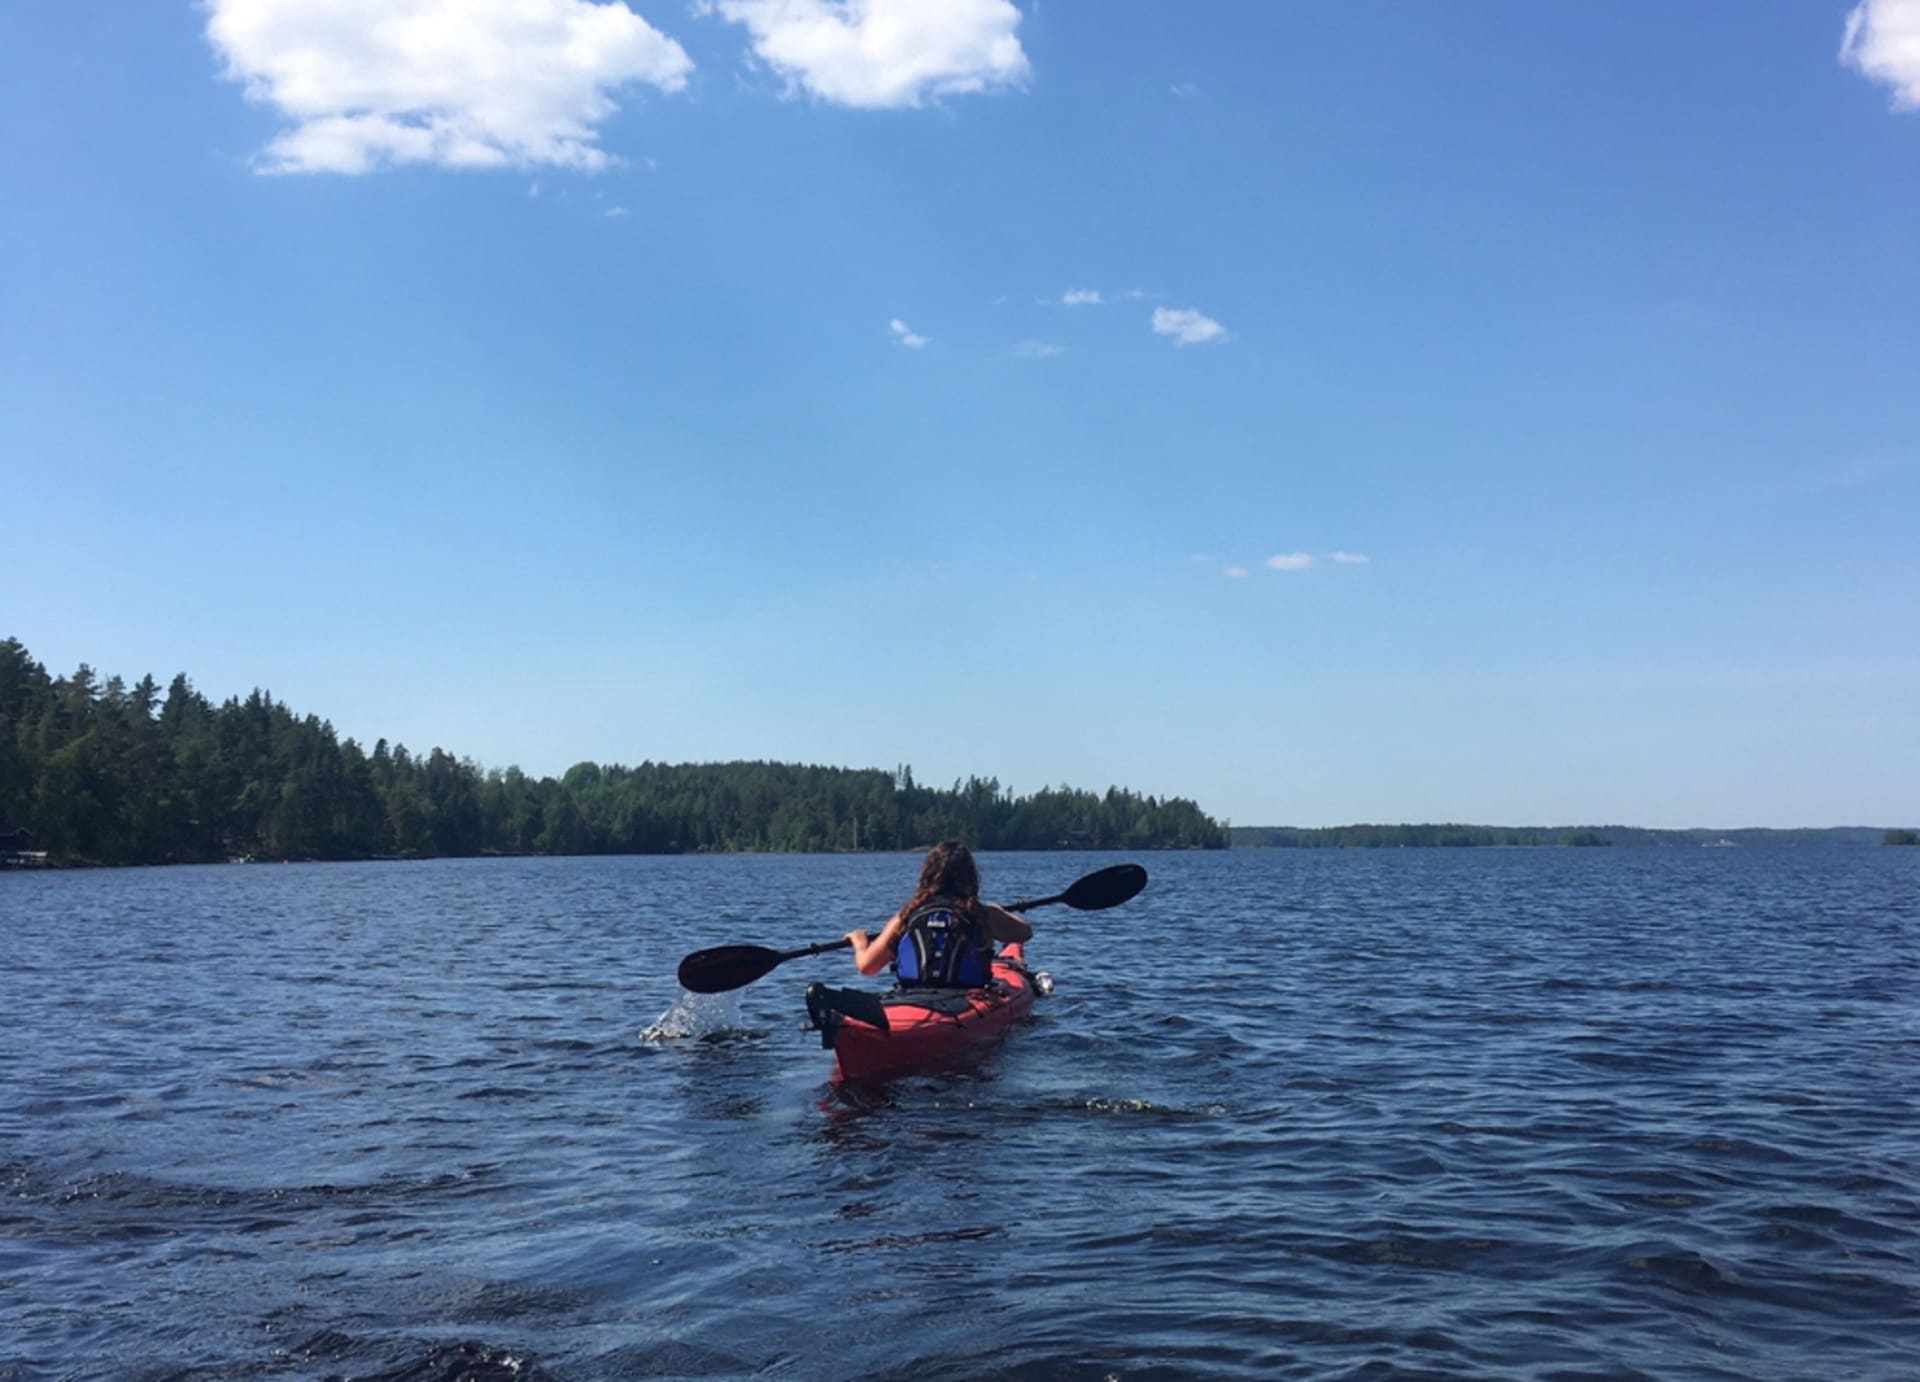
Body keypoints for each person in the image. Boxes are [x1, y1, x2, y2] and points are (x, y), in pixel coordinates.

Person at [844, 840, 1032, 988]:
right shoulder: (980, 913)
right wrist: (997, 911)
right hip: (968, 1000)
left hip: (915, 997)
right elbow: (1024, 933)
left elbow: (867, 967)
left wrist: (860, 944)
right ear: (970, 877)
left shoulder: (907, 915)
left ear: (927, 875)